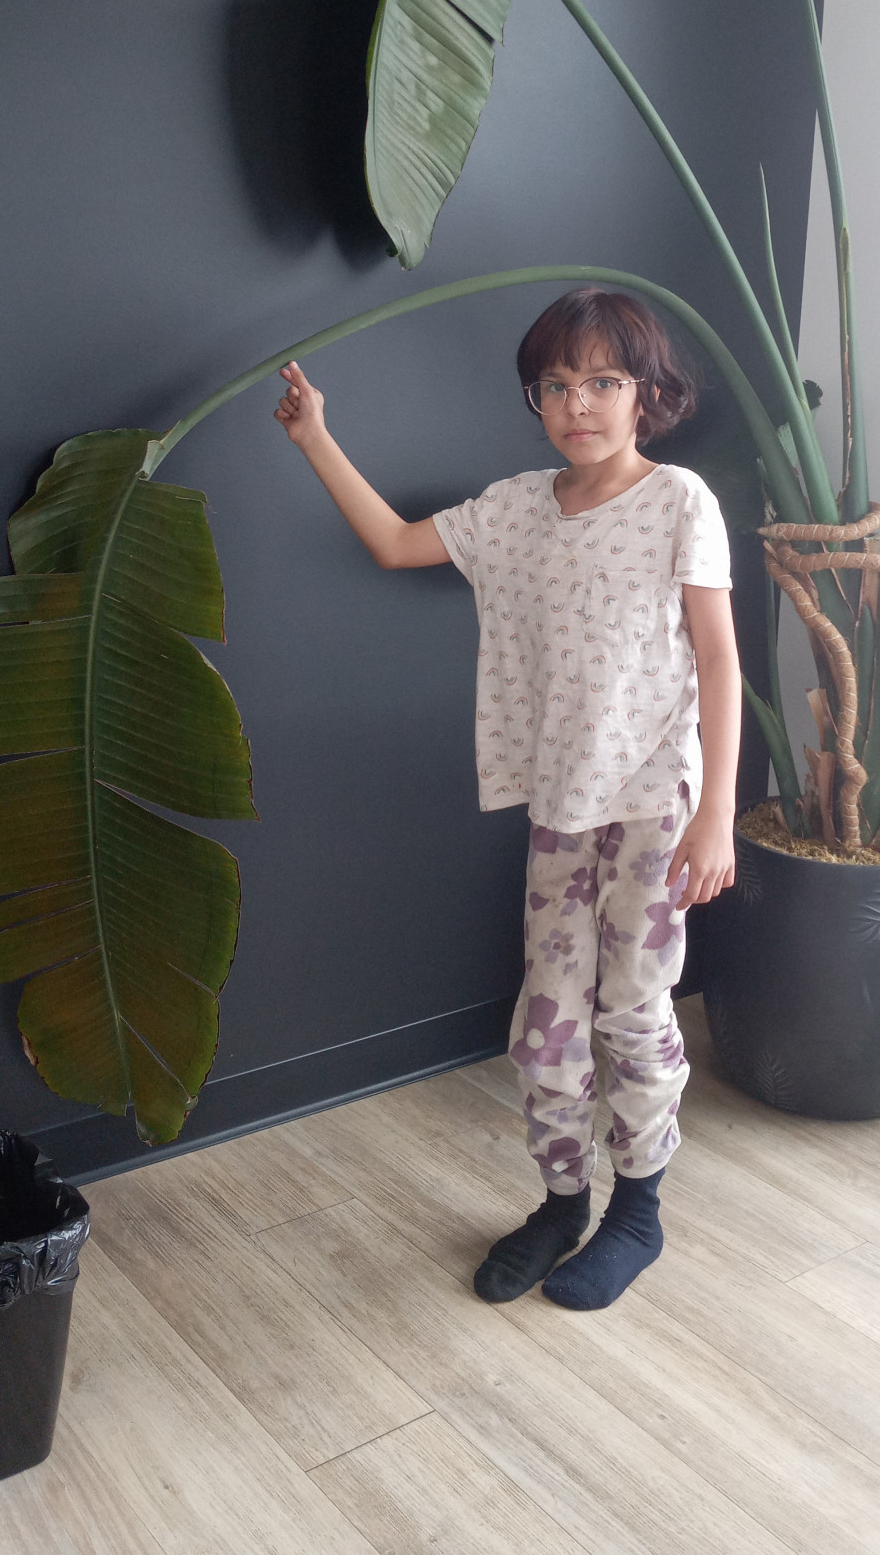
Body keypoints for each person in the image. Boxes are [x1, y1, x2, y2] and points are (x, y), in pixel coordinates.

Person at [274, 287, 739, 1310]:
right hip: (561, 806)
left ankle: (638, 1210)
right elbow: (396, 542)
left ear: (647, 392)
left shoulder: (679, 502)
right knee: (547, 1029)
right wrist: (315, 438)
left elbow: (718, 658)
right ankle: (561, 1201)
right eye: (556, 385)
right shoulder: (518, 508)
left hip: (656, 804)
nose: (580, 404)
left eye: (604, 381)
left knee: (634, 1010)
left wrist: (717, 813)